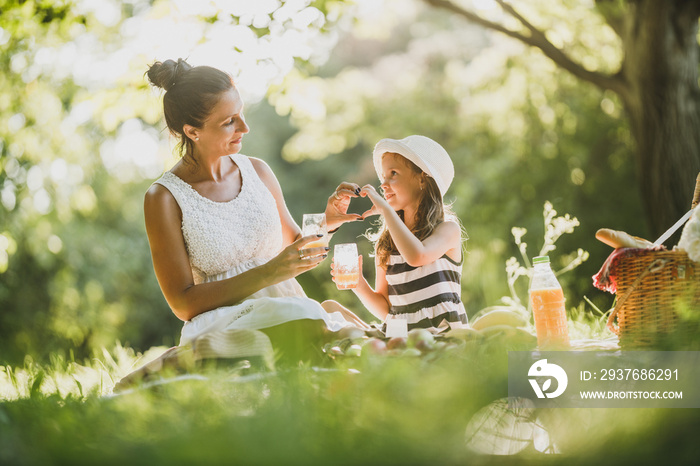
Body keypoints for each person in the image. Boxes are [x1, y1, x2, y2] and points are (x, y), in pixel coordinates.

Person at [117, 58, 366, 386]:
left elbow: (296, 248)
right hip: (222, 322)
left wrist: (327, 223)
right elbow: (182, 302)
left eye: (242, 114)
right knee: (305, 319)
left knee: (307, 316)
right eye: (229, 122)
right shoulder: (163, 198)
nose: (244, 128)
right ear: (192, 131)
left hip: (289, 309)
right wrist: (268, 272)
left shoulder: (258, 171)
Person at [328, 135, 468, 332]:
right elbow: (387, 309)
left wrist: (385, 209)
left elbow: (417, 255)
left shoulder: (447, 230)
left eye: (393, 173)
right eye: (383, 177)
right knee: (329, 308)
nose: (383, 184)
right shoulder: (386, 244)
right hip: (400, 336)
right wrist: (358, 283)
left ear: (422, 179)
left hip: (440, 336)